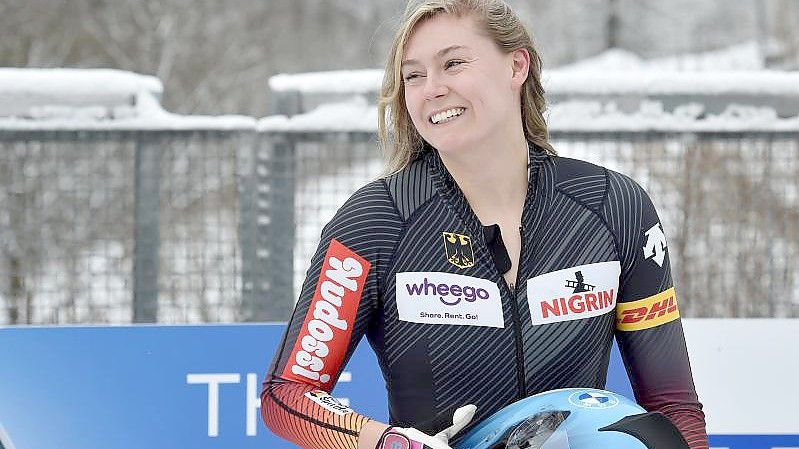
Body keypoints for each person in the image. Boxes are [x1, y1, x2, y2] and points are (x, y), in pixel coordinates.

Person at [261, 1, 708, 448]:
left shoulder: (613, 207)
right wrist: (393, 443)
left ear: (517, 66)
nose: (431, 89)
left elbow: (673, 407)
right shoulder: (378, 219)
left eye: (452, 63)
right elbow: (288, 394)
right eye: (413, 75)